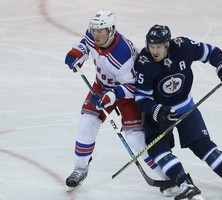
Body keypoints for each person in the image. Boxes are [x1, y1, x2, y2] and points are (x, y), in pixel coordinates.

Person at [134, 24, 222, 200]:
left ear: (167, 44)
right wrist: (156, 110)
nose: (154, 50)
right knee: (157, 149)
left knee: (202, 145)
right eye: (151, 46)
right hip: (159, 113)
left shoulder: (183, 47)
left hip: (185, 107)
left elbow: (212, 52)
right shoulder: (144, 62)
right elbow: (141, 98)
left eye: (158, 46)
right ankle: (186, 186)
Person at [64, 10, 167, 190]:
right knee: (86, 125)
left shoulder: (123, 55)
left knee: (136, 139)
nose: (96, 34)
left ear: (111, 30)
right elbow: (85, 44)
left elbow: (134, 86)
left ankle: (167, 176)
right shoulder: (92, 34)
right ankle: (80, 169)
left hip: (127, 94)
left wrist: (112, 96)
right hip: (101, 87)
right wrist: (77, 53)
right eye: (94, 30)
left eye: (101, 31)